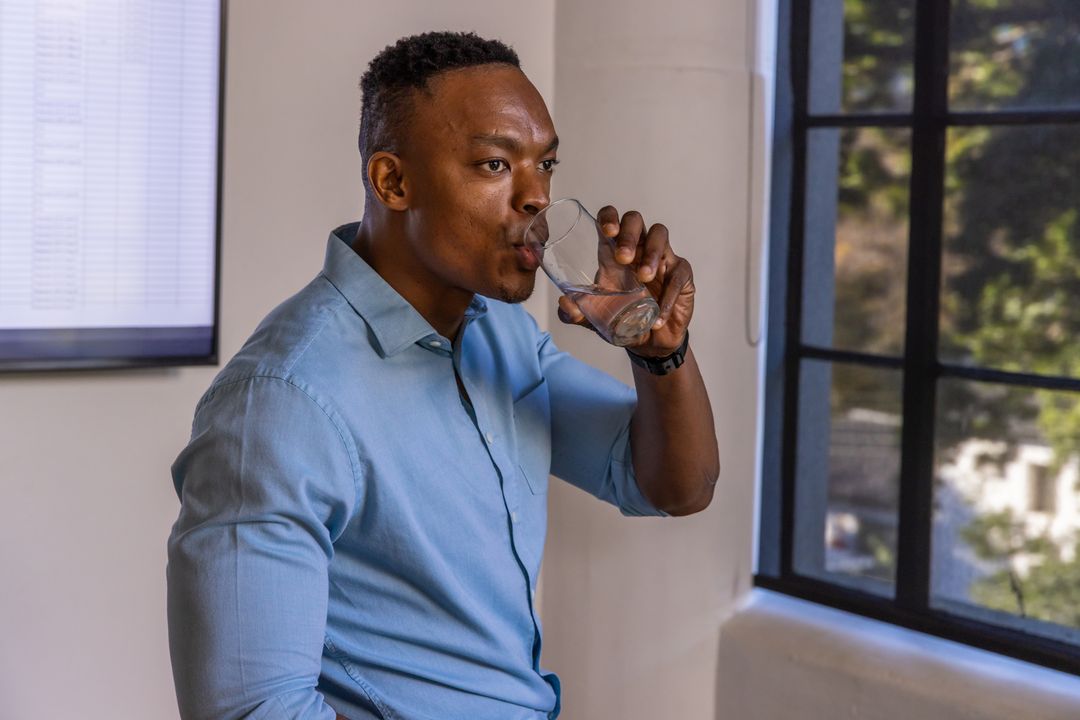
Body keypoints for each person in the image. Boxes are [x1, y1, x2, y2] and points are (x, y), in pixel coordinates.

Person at [166, 30, 718, 720]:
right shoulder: (279, 404)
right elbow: (250, 712)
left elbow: (672, 485)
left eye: (545, 164)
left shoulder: (501, 333)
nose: (536, 200)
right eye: (494, 165)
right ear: (393, 182)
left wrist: (657, 350)